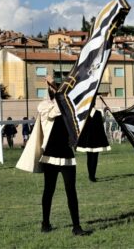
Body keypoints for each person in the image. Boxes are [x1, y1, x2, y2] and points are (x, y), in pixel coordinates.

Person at [38, 75, 91, 236]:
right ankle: (45, 223)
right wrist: (57, 91)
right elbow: (55, 111)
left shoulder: (67, 105)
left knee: (71, 191)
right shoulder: (43, 105)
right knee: (49, 190)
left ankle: (76, 226)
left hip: (67, 154)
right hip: (50, 155)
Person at [76, 105, 111, 182]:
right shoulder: (93, 113)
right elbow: (102, 121)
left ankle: (91, 175)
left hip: (92, 139)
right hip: (92, 139)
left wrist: (104, 112)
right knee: (93, 158)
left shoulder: (87, 113)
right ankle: (92, 176)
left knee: (91, 158)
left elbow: (102, 121)